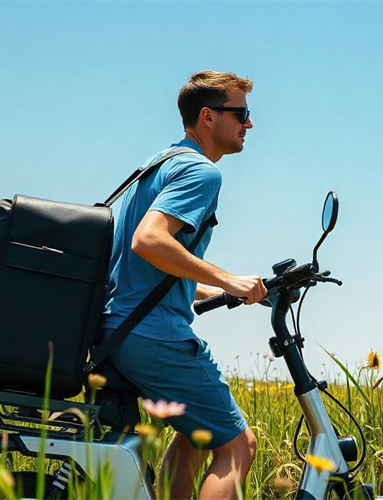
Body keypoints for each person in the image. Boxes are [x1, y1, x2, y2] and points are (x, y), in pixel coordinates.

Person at [99, 70, 267, 499]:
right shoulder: (201, 173)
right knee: (237, 445)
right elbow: (149, 241)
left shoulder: (157, 164)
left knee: (196, 435)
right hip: (153, 335)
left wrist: (216, 290)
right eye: (241, 113)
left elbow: (141, 268)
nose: (249, 124)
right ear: (208, 117)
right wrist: (228, 277)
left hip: (121, 329)